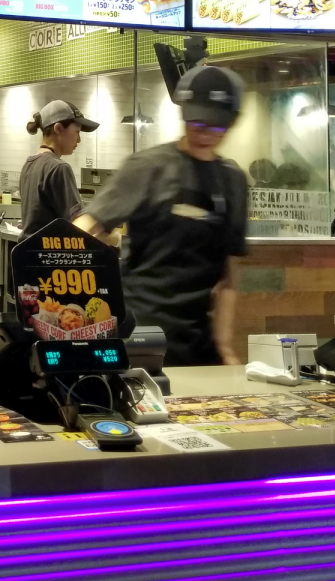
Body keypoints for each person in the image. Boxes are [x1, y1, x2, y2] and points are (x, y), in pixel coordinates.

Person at [73, 64, 248, 367]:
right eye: (197, 123)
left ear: (231, 122)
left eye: (217, 126)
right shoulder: (148, 167)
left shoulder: (233, 181)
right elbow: (85, 227)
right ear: (184, 114)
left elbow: (229, 277)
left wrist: (225, 346)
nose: (206, 134)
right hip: (138, 334)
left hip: (197, 341)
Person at [18, 100, 101, 237]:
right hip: (50, 249)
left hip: (29, 248)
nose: (79, 140)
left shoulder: (29, 164)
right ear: (58, 129)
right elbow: (78, 225)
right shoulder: (59, 168)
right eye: (77, 132)